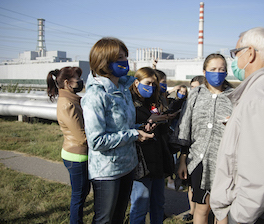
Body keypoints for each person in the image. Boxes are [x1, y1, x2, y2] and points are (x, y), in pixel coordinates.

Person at [210, 27, 264, 224]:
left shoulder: (257, 98)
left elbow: (260, 176)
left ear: (249, 53)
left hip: (253, 215)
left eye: (235, 53)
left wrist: (237, 216)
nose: (234, 60)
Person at [81, 37, 153, 224]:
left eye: (125, 56)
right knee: (104, 220)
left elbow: (122, 128)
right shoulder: (96, 96)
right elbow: (97, 141)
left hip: (127, 165)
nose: (125, 62)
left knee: (119, 218)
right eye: (119, 57)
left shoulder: (123, 89)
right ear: (104, 62)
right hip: (107, 171)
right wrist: (134, 134)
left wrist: (139, 128)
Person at [174, 53, 233, 224]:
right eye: (213, 69)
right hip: (198, 160)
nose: (217, 73)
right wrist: (183, 159)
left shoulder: (234, 96)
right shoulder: (195, 94)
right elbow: (185, 128)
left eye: (222, 69)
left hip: (224, 162)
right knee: (202, 208)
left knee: (222, 210)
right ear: (204, 71)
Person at [129, 67, 175, 224]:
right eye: (148, 83)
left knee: (158, 204)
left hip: (158, 160)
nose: (151, 87)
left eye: (154, 84)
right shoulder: (129, 103)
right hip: (141, 163)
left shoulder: (153, 102)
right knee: (140, 206)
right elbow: (125, 129)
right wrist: (145, 125)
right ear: (137, 82)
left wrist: (162, 119)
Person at [46, 66, 90, 224]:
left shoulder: (71, 99)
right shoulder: (67, 104)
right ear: (67, 82)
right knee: (79, 195)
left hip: (76, 153)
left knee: (82, 192)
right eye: (77, 79)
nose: (80, 82)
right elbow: (81, 137)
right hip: (77, 155)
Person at [181, 75, 207, 223]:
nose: (193, 90)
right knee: (191, 185)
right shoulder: (189, 103)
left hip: (205, 153)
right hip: (191, 151)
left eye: (197, 87)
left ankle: (200, 212)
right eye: (192, 87)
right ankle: (192, 211)